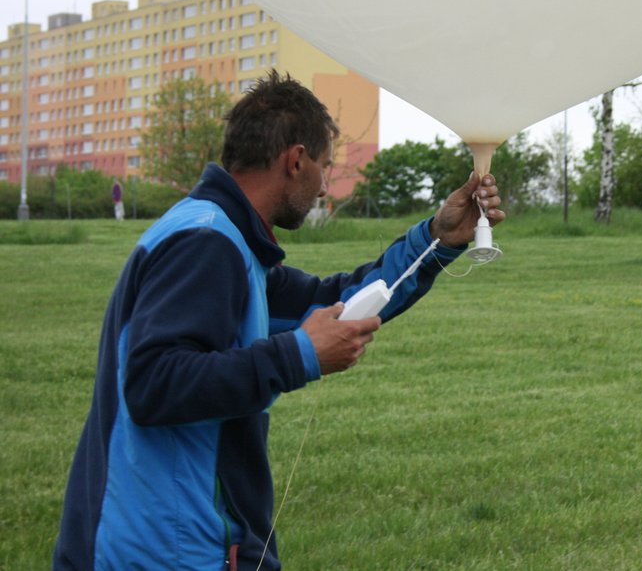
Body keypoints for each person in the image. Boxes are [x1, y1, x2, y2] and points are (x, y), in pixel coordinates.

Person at [52, 70, 505, 571]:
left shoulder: (228, 241)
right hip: (164, 553)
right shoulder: (205, 243)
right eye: (325, 167)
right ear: (295, 160)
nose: (324, 186)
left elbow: (336, 302)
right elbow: (153, 383)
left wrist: (437, 240)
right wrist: (299, 355)